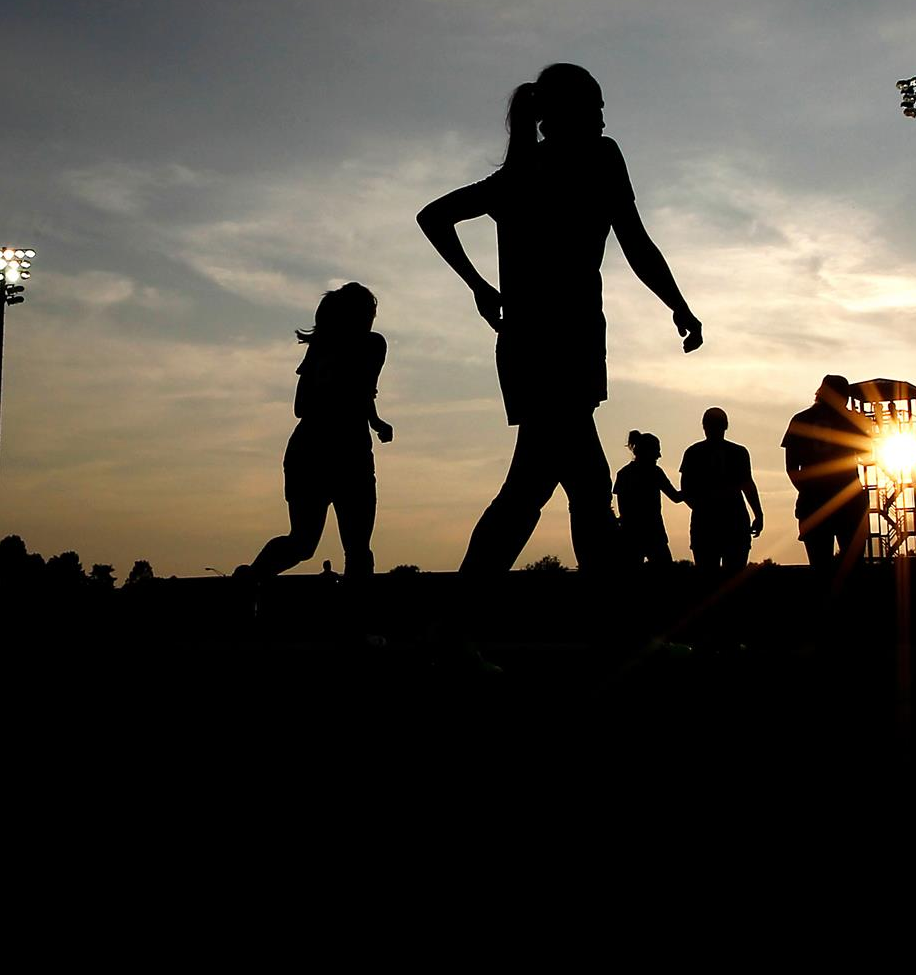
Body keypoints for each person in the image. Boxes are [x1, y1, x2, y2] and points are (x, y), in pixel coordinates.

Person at [416, 62, 704, 576]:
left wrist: (480, 287)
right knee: (560, 492)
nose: (600, 118)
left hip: (535, 346)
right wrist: (677, 304)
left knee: (561, 489)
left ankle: (615, 640)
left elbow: (433, 217)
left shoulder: (516, 176)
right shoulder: (598, 157)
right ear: (566, 112)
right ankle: (453, 632)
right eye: (594, 107)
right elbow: (634, 240)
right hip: (564, 346)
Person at [235, 282, 393, 584]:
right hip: (315, 455)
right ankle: (249, 580)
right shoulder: (324, 351)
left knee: (355, 548)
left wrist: (373, 420)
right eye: (368, 312)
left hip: (348, 454)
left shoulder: (371, 346)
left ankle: (356, 626)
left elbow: (363, 391)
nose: (372, 318)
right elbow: (302, 405)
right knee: (304, 544)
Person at [783, 374, 873, 576]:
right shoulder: (851, 421)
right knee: (854, 569)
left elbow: (790, 467)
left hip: (813, 502)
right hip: (849, 500)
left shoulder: (800, 419)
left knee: (820, 569)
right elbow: (868, 458)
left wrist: (807, 490)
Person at [680, 407, 763, 577]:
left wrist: (701, 508)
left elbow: (686, 489)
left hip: (716, 522)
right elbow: (748, 485)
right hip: (727, 521)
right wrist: (758, 514)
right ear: (726, 425)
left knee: (711, 576)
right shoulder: (738, 452)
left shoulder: (694, 452)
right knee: (729, 576)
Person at [615, 430, 684, 567]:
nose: (659, 455)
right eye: (657, 450)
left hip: (630, 536)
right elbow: (675, 497)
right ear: (647, 451)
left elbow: (623, 510)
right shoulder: (655, 472)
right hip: (654, 534)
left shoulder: (623, 474)